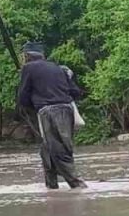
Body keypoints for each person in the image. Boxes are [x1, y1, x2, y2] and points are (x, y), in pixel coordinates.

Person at [17, 42, 87, 189]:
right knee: (47, 150)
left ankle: (77, 184)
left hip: (48, 111)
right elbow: (75, 92)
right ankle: (51, 187)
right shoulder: (58, 68)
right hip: (67, 110)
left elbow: (22, 98)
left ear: (26, 56)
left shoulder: (28, 68)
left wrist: (34, 105)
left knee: (57, 148)